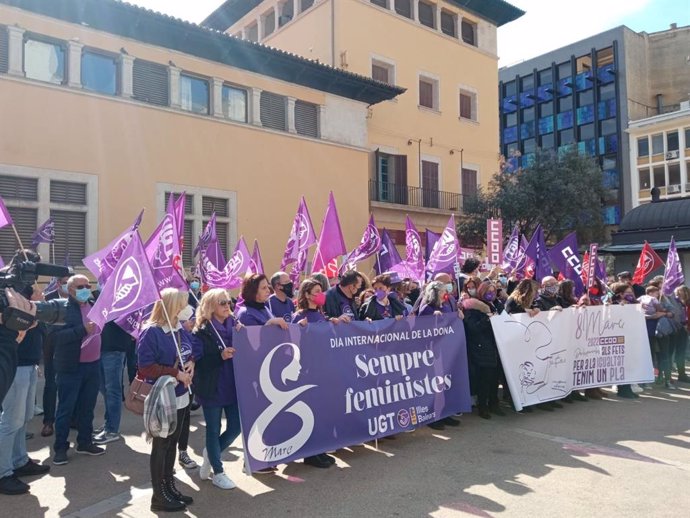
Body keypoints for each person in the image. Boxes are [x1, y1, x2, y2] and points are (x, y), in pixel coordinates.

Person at [137, 288, 194, 512]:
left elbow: (189, 353)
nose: (187, 309)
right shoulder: (152, 332)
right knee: (161, 444)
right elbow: (145, 367)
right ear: (172, 306)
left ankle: (169, 486)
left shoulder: (179, 329)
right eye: (183, 304)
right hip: (163, 396)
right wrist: (175, 374)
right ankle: (158, 495)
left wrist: (191, 365)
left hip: (180, 394)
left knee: (172, 442)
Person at [236, 274, 288, 474]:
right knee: (256, 416)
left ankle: (266, 454)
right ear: (253, 291)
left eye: (268, 287)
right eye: (264, 288)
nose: (268, 291)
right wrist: (269, 326)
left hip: (270, 368)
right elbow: (251, 344)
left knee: (269, 414)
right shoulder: (245, 313)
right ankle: (252, 460)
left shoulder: (265, 308)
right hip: (254, 372)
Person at [0, 286, 50, 495]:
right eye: (38, 291)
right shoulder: (15, 312)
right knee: (11, 421)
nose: (42, 292)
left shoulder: (32, 312)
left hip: (28, 365)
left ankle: (19, 460)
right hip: (15, 367)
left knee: (23, 419)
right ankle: (3, 473)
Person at [52, 275, 105, 465]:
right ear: (70, 289)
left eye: (87, 285)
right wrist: (82, 330)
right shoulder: (61, 308)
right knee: (66, 409)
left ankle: (84, 442)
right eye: (81, 286)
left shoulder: (93, 304)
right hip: (71, 368)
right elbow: (55, 338)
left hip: (93, 365)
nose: (85, 289)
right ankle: (60, 447)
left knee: (87, 407)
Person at [192, 289, 242, 489]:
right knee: (213, 430)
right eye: (222, 302)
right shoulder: (202, 330)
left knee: (236, 427)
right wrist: (219, 356)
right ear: (211, 306)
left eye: (228, 302)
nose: (227, 305)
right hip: (212, 386)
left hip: (232, 385)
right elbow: (199, 362)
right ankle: (218, 471)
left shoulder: (236, 325)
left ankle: (211, 453)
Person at [290, 279, 338, 468]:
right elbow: (292, 342)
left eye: (322, 291)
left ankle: (319, 450)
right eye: (317, 291)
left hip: (322, 369)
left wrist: (333, 322)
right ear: (307, 295)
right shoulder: (299, 317)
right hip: (308, 371)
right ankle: (310, 454)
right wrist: (298, 329)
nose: (321, 294)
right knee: (311, 412)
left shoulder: (320, 314)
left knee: (321, 412)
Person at [416, 281, 463, 430]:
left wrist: (458, 314)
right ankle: (433, 416)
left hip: (445, 350)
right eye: (443, 291)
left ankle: (445, 413)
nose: (446, 294)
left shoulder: (445, 305)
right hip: (431, 352)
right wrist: (432, 315)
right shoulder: (427, 308)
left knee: (445, 383)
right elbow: (422, 322)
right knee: (434, 384)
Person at [463, 281, 503, 419]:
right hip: (481, 347)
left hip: (495, 346)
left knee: (494, 378)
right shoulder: (473, 307)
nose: (491, 293)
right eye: (488, 291)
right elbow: (473, 328)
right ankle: (483, 407)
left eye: (493, 290)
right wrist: (487, 318)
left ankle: (494, 403)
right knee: (484, 379)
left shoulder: (496, 304)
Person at [93, 321, 134, 445]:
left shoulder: (122, 303)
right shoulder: (99, 301)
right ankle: (109, 423)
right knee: (104, 387)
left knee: (112, 390)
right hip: (101, 347)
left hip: (115, 348)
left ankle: (112, 429)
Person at [41, 273, 71, 437]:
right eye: (65, 283)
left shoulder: (76, 299)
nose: (68, 286)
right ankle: (48, 422)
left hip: (72, 350)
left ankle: (71, 419)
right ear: (58, 284)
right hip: (52, 349)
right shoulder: (48, 298)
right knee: (51, 385)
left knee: (69, 386)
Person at [609, 283, 639, 399]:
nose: (630, 295)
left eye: (631, 293)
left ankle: (628, 388)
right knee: (622, 364)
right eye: (628, 293)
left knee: (630, 363)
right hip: (620, 339)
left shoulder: (634, 304)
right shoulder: (614, 305)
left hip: (632, 337)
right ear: (620, 294)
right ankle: (623, 389)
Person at [673, 286, 690, 382]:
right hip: (678, 329)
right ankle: (681, 374)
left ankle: (681, 373)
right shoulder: (676, 303)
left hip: (683, 329)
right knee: (679, 353)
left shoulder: (683, 303)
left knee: (680, 353)